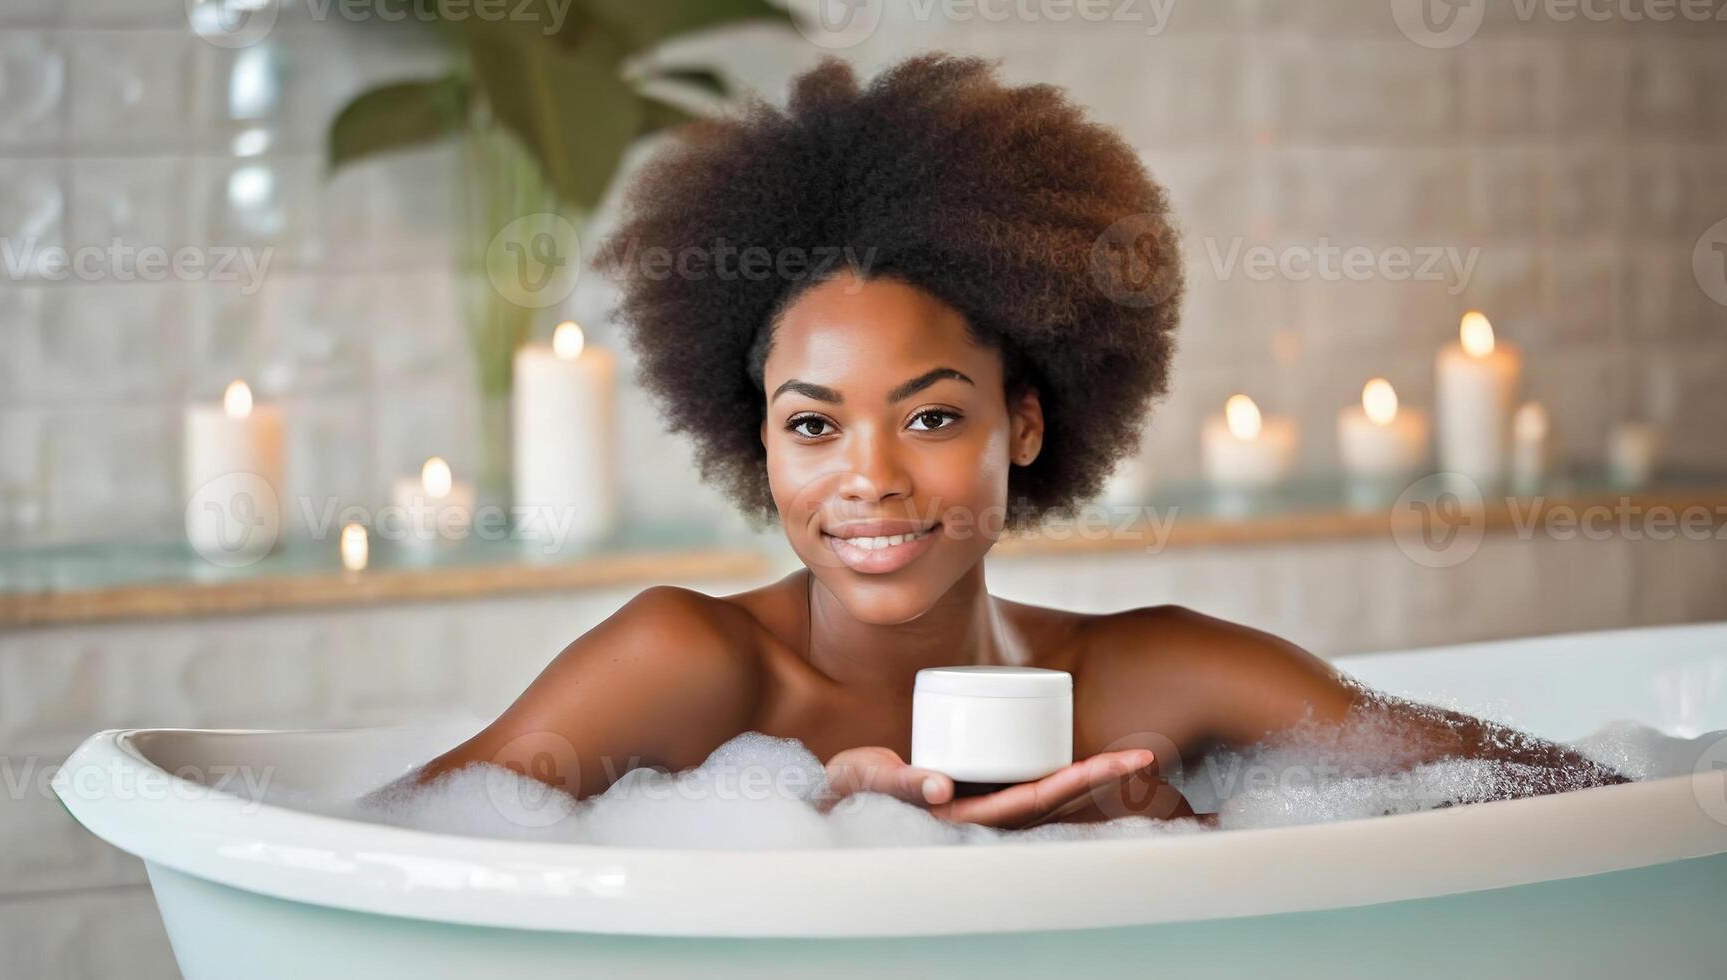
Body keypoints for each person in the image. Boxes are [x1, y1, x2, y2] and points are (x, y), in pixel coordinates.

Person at [413, 55, 1620, 828]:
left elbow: (1570, 797)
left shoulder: (1155, 675)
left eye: (931, 415)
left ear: (1025, 421)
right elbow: (371, 850)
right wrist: (820, 846)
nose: (869, 478)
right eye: (812, 424)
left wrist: (1170, 842)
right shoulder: (688, 663)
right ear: (759, 442)